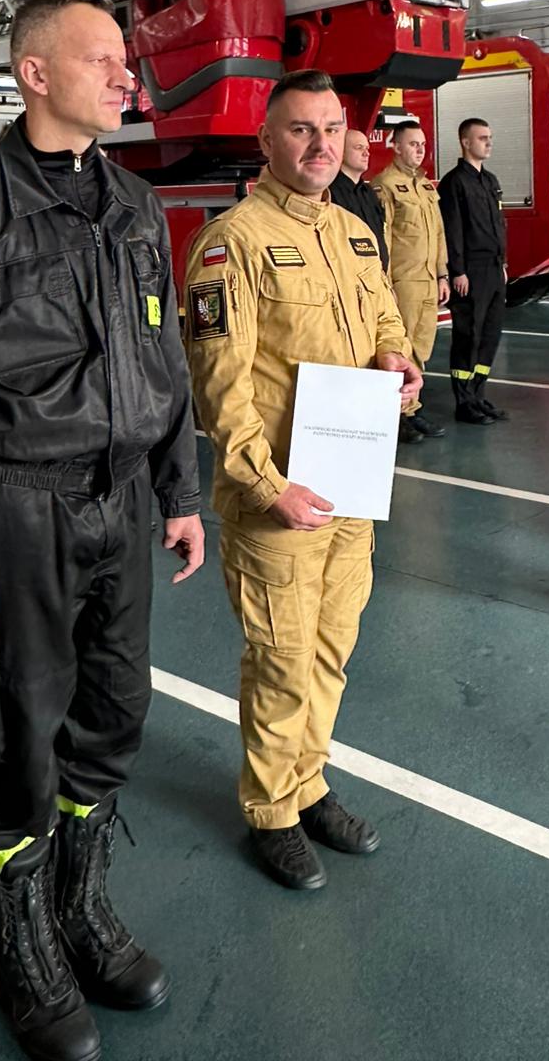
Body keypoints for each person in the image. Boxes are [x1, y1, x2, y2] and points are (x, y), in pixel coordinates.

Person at [0, 0, 204, 1061]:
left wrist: (181, 488)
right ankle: (19, 939)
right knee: (15, 733)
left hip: (123, 501)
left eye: (125, 60)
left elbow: (164, 358)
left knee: (113, 715)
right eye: (102, 58)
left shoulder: (135, 207)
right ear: (34, 73)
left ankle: (79, 906)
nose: (126, 76)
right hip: (16, 509)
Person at [183, 69, 420, 892]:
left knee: (330, 650)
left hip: (350, 485)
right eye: (300, 129)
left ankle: (308, 782)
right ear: (266, 140)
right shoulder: (232, 242)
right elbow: (220, 386)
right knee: (281, 660)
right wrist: (264, 484)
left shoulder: (353, 230)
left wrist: (396, 355)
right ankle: (271, 809)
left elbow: (384, 311)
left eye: (331, 128)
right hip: (280, 499)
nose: (321, 144)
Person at [372, 118, 449, 444]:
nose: (420, 150)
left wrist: (442, 274)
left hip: (428, 280)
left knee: (421, 348)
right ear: (397, 146)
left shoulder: (425, 186)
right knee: (400, 349)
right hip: (403, 281)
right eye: (413, 144)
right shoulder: (385, 185)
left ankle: (411, 408)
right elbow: (384, 238)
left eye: (423, 145)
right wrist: (385, 283)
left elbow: (439, 233)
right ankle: (398, 416)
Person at [438, 117, 509, 425]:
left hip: (493, 268)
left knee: (490, 334)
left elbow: (499, 225)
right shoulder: (454, 182)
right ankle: (464, 402)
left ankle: (478, 395)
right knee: (469, 334)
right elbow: (452, 230)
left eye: (489, 137)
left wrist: (503, 264)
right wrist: (458, 271)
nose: (488, 142)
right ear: (465, 142)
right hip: (470, 270)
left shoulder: (489, 180)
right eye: (482, 138)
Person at [328, 126, 389, 269]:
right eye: (359, 148)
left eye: (367, 148)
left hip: (377, 274)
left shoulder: (369, 193)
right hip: (347, 273)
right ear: (341, 152)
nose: (366, 153)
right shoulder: (328, 192)